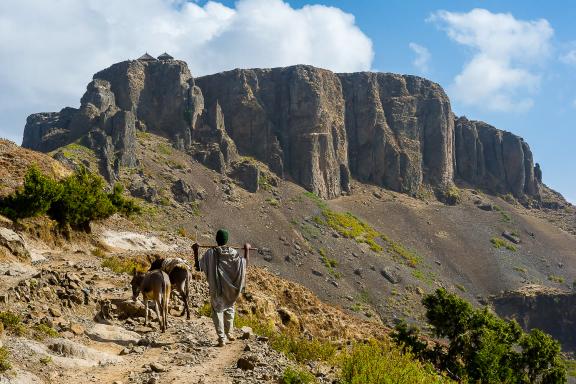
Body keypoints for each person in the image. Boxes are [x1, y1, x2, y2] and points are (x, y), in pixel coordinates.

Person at [192, 229, 250, 347]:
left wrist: (196, 250)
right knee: (229, 309)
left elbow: (198, 267)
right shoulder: (233, 253)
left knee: (218, 311)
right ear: (227, 240)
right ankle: (229, 333)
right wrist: (247, 250)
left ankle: (222, 338)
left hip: (217, 289)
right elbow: (244, 264)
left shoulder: (210, 254)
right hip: (230, 290)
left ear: (216, 239)